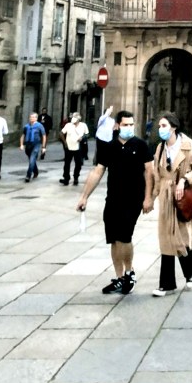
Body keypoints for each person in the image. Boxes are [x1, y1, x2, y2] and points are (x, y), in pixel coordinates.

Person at [76, 110, 153, 294]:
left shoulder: (141, 145)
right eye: (125, 124)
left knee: (124, 236)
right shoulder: (109, 147)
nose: (129, 127)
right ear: (117, 125)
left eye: (131, 124)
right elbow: (97, 172)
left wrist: (148, 197)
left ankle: (129, 273)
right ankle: (119, 278)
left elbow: (149, 172)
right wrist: (84, 196)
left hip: (133, 198)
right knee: (113, 239)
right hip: (113, 198)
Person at [150, 112, 192, 296]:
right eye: (159, 126)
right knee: (166, 238)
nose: (161, 129)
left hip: (183, 195)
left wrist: (184, 179)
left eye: (164, 125)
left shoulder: (187, 145)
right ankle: (166, 284)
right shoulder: (160, 148)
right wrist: (152, 197)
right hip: (166, 195)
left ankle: (191, 269)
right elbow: (157, 174)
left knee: (181, 236)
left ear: (173, 127)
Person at [59, 113, 88, 186]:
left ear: (78, 119)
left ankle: (76, 177)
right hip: (69, 147)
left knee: (78, 163)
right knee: (67, 163)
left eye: (75, 117)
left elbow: (87, 134)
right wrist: (65, 143)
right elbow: (61, 133)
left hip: (78, 147)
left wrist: (82, 138)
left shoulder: (83, 125)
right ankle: (66, 178)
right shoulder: (68, 125)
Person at [20, 111, 47, 182]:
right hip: (28, 145)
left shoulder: (39, 126)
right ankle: (36, 171)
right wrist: (21, 144)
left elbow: (44, 136)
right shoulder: (26, 126)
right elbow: (23, 135)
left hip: (36, 144)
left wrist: (43, 147)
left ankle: (28, 176)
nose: (31, 118)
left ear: (36, 118)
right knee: (32, 160)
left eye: (33, 117)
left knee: (32, 160)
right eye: (30, 117)